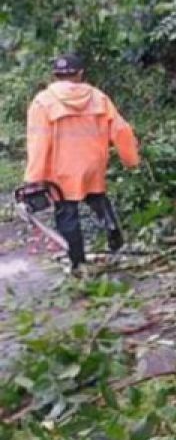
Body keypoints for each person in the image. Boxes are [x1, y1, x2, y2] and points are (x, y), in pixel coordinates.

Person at [24, 53, 140, 274]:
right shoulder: (98, 98)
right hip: (93, 163)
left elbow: (38, 142)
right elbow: (121, 130)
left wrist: (34, 178)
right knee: (97, 198)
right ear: (80, 74)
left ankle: (78, 263)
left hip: (61, 171)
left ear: (55, 75)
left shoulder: (43, 102)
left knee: (67, 214)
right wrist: (131, 160)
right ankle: (113, 232)